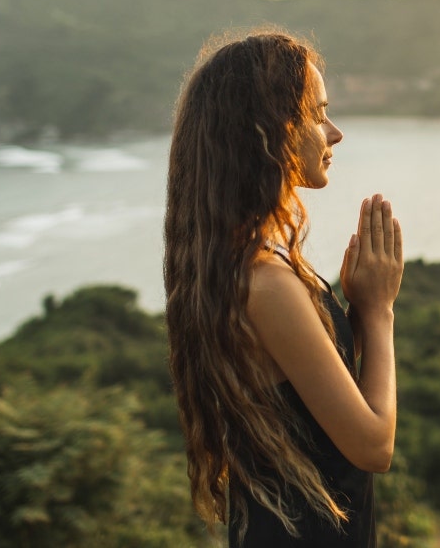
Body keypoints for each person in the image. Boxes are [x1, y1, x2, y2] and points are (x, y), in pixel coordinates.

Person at [163, 27, 403, 547]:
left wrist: (357, 312)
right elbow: (371, 446)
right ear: (269, 130)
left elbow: (308, 403)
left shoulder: (251, 262)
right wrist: (380, 313)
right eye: (318, 114)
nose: (334, 132)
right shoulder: (264, 281)